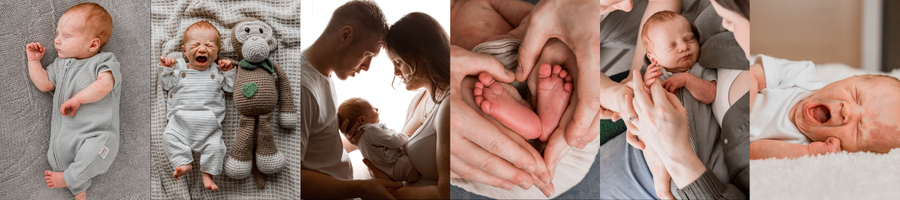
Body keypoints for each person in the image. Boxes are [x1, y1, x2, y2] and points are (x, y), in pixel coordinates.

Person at [614, 0, 751, 199]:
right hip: (664, 162)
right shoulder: (654, 75)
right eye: (672, 45)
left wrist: (688, 80)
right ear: (654, 59)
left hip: (711, 157)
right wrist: (646, 86)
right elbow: (643, 108)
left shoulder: (700, 69)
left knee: (719, 181)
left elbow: (711, 93)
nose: (684, 47)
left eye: (690, 39)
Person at [299, 1, 402, 199]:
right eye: (367, 54)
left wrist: (358, 140)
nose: (367, 67)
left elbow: (316, 153)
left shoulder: (324, 76)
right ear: (345, 35)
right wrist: (362, 188)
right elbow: (289, 177)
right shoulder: (301, 86)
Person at [25, 3, 120, 200]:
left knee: (90, 154)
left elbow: (104, 85)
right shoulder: (60, 65)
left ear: (92, 45)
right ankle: (78, 189)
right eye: (57, 34)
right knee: (59, 160)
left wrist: (78, 99)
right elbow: (44, 84)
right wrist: (34, 62)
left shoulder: (103, 61)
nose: (57, 40)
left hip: (98, 135)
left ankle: (68, 178)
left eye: (66, 36)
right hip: (65, 139)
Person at [353, 11, 451, 199]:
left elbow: (446, 193)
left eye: (398, 62)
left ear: (422, 55)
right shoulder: (419, 99)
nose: (396, 72)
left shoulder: (448, 105)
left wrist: (389, 191)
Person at [158, 21, 235, 191]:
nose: (202, 49)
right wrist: (166, 68)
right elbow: (166, 84)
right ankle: (183, 162)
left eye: (209, 45)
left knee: (216, 147)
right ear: (185, 51)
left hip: (209, 127)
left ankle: (208, 173)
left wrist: (229, 71)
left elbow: (231, 88)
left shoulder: (217, 71)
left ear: (217, 53)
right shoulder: (178, 68)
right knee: (168, 137)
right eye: (195, 45)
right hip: (180, 124)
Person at [337, 97, 419, 182]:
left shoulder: (360, 137)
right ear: (362, 120)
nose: (377, 109)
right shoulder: (371, 130)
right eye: (373, 109)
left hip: (388, 171)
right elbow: (393, 140)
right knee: (411, 168)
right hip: (396, 164)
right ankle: (415, 179)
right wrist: (405, 136)